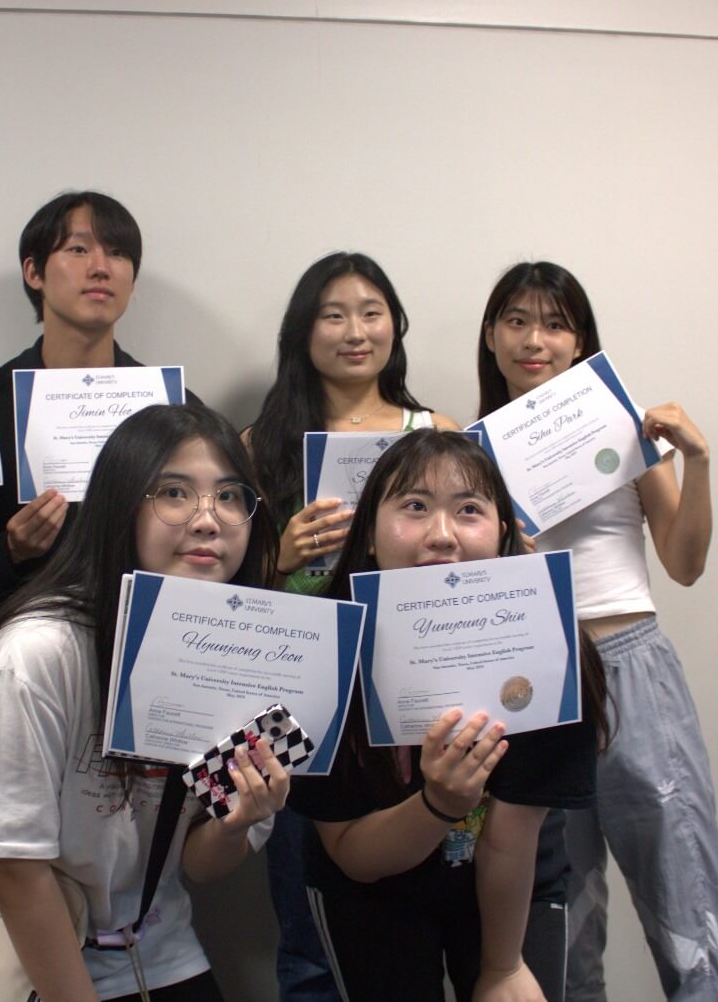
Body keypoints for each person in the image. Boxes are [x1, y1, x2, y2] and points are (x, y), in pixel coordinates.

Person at [0, 404, 288, 1001]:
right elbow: (13, 864)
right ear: (119, 507)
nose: (208, 520)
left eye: (230, 496)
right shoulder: (37, 652)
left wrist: (239, 823)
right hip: (10, 955)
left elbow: (199, 864)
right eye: (174, 492)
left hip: (155, 946)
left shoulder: (251, 658)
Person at [476, 261, 718, 1001]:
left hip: (628, 665)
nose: (535, 340)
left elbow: (683, 564)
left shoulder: (617, 426)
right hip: (533, 684)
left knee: (679, 879)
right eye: (516, 321)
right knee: (559, 908)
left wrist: (698, 460)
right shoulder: (472, 452)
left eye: (555, 324)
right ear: (490, 337)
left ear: (579, 339)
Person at [288, 429, 606, 1002]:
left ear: (503, 535)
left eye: (469, 510)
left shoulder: (552, 649)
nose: (441, 535)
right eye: (414, 506)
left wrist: (503, 967)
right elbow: (352, 857)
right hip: (373, 891)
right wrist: (440, 804)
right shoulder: (319, 655)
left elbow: (512, 837)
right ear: (368, 537)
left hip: (513, 881)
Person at [243, 251, 457, 1001]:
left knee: (425, 897)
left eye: (371, 312)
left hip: (413, 687)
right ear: (302, 331)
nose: (354, 331)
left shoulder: (434, 431)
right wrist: (278, 558)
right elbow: (221, 596)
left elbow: (481, 564)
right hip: (300, 695)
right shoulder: (257, 444)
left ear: (395, 327)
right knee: (306, 924)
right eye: (332, 314)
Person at [0, 189, 195, 635]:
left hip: (151, 640)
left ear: (132, 281)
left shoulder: (173, 409)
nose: (100, 267)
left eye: (117, 253)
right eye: (78, 249)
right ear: (34, 271)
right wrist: (10, 549)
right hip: (16, 645)